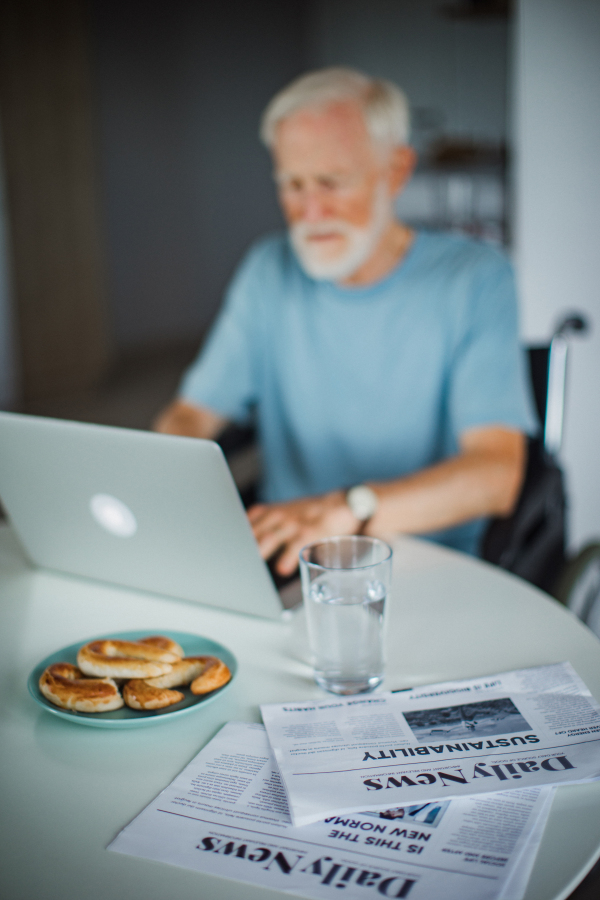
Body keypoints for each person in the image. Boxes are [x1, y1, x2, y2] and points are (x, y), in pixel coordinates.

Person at [155, 67, 536, 576]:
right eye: (292, 185)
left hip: (426, 563)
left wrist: (348, 509)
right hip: (287, 557)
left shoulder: (475, 278)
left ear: (397, 170)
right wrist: (167, 478)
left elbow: (496, 474)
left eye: (331, 183)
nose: (310, 212)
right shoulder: (267, 269)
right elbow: (189, 416)